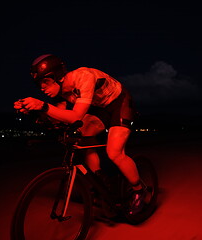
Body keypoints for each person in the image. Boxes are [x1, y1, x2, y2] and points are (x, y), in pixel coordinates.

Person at [14, 54, 146, 215]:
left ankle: (139, 190)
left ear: (58, 76)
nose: (42, 88)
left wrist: (42, 106)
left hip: (119, 102)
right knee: (82, 136)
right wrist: (33, 112)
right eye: (39, 84)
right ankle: (101, 180)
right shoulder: (62, 93)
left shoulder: (83, 77)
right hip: (100, 108)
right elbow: (60, 117)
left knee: (114, 152)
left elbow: (75, 116)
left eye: (45, 82)